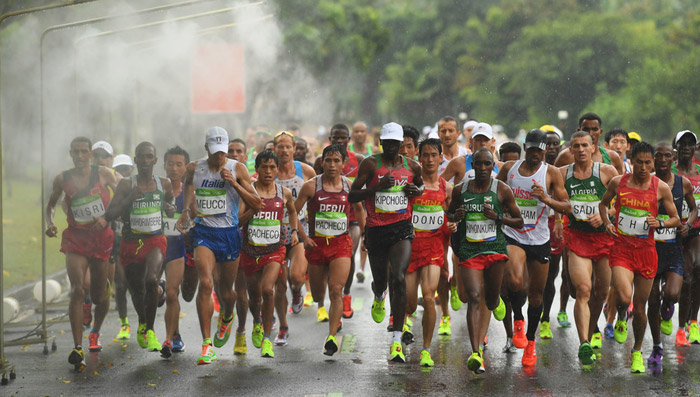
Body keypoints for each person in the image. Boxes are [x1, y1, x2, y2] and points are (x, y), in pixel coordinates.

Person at [176, 127, 262, 365]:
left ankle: (226, 316)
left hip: (230, 235)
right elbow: (188, 186)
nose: (219, 157)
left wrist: (234, 184)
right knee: (206, 283)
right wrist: (186, 210)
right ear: (206, 148)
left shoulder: (237, 169)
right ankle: (206, 345)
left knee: (227, 293)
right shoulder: (195, 167)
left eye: (222, 152)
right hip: (204, 233)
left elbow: (257, 203)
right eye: (215, 152)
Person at [599, 141, 680, 373]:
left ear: (653, 163)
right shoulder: (618, 182)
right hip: (622, 249)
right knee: (625, 298)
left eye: (648, 162)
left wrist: (661, 222)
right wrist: (606, 223)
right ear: (631, 161)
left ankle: (637, 351)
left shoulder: (660, 187)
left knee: (642, 308)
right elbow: (603, 205)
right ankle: (621, 315)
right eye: (639, 162)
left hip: (646, 252)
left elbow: (675, 218)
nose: (643, 167)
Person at [349, 122, 424, 362]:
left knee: (399, 277)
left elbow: (420, 185)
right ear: (382, 142)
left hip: (401, 228)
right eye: (388, 142)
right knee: (381, 279)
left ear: (402, 143)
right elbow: (352, 195)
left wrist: (416, 190)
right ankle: (379, 295)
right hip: (376, 229)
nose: (392, 147)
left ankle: (396, 340)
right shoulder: (370, 164)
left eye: (396, 143)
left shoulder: (412, 166)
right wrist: (377, 187)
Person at [496, 128, 571, 367]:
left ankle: (530, 343)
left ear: (545, 150)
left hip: (539, 239)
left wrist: (546, 199)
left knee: (537, 295)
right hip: (513, 233)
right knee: (515, 282)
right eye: (531, 149)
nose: (535, 154)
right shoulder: (510, 169)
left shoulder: (551, 173)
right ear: (525, 148)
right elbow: (493, 192)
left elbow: (566, 206)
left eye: (540, 150)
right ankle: (518, 320)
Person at [45, 137, 118, 371]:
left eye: (83, 151)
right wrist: (50, 223)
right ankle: (77, 347)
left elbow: (124, 197)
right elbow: (51, 205)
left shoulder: (104, 174)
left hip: (101, 238)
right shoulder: (62, 178)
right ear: (70, 153)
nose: (79, 155)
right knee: (77, 289)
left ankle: (104, 288)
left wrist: (107, 217)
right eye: (75, 151)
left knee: (97, 297)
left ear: (90, 154)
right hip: (76, 238)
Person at [448, 148, 523, 373]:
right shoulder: (460, 190)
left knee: (490, 301)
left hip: (495, 250)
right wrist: (456, 216)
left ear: (493, 167)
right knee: (473, 297)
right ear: (473, 166)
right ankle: (475, 352)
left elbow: (519, 221)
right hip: (470, 249)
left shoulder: (502, 190)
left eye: (486, 164)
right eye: (478, 164)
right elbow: (450, 214)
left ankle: (496, 300)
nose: (482, 168)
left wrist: (498, 217)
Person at [105, 142, 174, 353]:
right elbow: (109, 214)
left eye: (149, 157)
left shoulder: (164, 184)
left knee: (152, 280)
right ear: (135, 161)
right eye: (141, 157)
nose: (144, 161)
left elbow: (170, 206)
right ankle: (143, 324)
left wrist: (170, 209)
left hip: (155, 241)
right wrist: (128, 200)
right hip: (131, 243)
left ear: (154, 159)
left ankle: (151, 331)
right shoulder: (126, 185)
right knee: (137, 289)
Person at [555, 131, 618, 365]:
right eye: (576, 146)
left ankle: (591, 335)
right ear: (570, 150)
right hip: (578, 238)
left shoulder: (607, 172)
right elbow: (558, 200)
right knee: (583, 289)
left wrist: (605, 215)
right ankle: (583, 343)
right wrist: (559, 221)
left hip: (604, 239)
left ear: (593, 148)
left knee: (600, 293)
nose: (581, 149)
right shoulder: (563, 174)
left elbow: (623, 201)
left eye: (585, 145)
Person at [296, 144, 365, 355]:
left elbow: (360, 210)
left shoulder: (349, 186)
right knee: (318, 294)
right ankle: (319, 301)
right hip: (316, 245)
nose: (332, 165)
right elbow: (293, 212)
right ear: (321, 163)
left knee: (336, 290)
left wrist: (365, 234)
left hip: (341, 244)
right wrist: (304, 236)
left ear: (344, 164)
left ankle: (332, 336)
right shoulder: (310, 186)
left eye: (337, 161)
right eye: (328, 160)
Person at [239, 150, 298, 358]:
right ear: (256, 169)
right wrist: (252, 211)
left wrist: (295, 231)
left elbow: (292, 211)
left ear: (277, 169)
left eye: (272, 167)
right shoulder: (249, 192)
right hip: (249, 251)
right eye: (264, 167)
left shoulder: (284, 193)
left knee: (268, 290)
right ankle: (256, 322)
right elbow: (238, 221)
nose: (268, 171)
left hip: (275, 250)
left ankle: (266, 339)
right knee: (254, 299)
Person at [405, 138, 454, 367]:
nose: (430, 159)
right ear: (419, 157)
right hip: (411, 248)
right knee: (410, 303)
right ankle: (402, 323)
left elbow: (452, 218)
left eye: (434, 155)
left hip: (434, 249)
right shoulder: (412, 185)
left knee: (428, 296)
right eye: (425, 155)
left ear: (441, 157)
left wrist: (452, 224)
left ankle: (426, 349)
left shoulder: (447, 188)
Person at [647, 141, 697, 365]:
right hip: (649, 249)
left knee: (673, 294)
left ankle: (669, 308)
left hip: (673, 247)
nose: (663, 160)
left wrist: (689, 224)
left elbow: (693, 207)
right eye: (659, 156)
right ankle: (657, 346)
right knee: (652, 299)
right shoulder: (645, 182)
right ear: (654, 159)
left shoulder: (682, 183)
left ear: (673, 158)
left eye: (668, 156)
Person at [313, 124, 367, 321]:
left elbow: (363, 188)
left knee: (347, 252)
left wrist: (364, 228)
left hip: (351, 217)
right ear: (330, 138)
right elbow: (314, 187)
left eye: (343, 138)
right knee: (322, 261)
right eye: (335, 138)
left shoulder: (358, 160)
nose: (339, 141)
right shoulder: (321, 160)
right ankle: (321, 304)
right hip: (326, 217)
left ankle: (345, 295)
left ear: (348, 139)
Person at [273, 130, 316, 334]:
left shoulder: (305, 171)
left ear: (294, 149)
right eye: (280, 146)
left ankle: (297, 291)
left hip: (300, 228)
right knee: (278, 283)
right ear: (274, 149)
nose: (284, 150)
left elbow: (318, 195)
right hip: (274, 231)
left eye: (287, 146)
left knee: (297, 276)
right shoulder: (268, 171)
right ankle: (280, 323)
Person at [159, 146, 194, 357]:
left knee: (175, 293)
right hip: (155, 249)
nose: (174, 168)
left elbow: (198, 220)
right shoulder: (154, 189)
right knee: (155, 294)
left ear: (185, 169)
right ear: (163, 166)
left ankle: (170, 338)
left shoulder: (191, 194)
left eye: (179, 164)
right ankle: (157, 291)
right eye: (170, 164)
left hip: (178, 249)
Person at [541, 128, 570, 339]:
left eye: (555, 145)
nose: (551, 149)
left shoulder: (566, 171)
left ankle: (545, 318)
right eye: (547, 144)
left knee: (554, 273)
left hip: (556, 225)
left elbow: (565, 202)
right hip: (531, 226)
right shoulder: (533, 168)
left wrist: (559, 219)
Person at [672, 130, 700, 346]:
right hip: (668, 230)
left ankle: (689, 324)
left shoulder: (699, 171)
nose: (687, 147)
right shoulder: (668, 170)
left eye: (691, 143)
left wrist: (689, 223)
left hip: (693, 229)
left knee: (694, 273)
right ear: (677, 147)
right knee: (675, 280)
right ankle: (668, 305)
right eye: (683, 143)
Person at [226, 139, 252, 355]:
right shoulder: (211, 179)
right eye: (230, 151)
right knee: (221, 286)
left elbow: (257, 205)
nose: (234, 155)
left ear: (245, 156)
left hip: (241, 242)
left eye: (238, 152)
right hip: (217, 240)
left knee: (241, 291)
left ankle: (241, 332)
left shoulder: (248, 182)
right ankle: (226, 313)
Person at [554, 112, 625, 175]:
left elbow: (619, 187)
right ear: (579, 131)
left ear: (600, 132)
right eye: (586, 129)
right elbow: (553, 183)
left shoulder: (612, 157)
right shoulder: (565, 156)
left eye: (594, 129)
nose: (590, 133)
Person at [111, 154, 132, 341]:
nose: (123, 173)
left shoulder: (138, 187)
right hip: (117, 245)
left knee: (138, 286)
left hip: (136, 243)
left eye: (126, 169)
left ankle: (144, 324)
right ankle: (124, 323)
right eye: (119, 169)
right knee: (121, 283)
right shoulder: (110, 190)